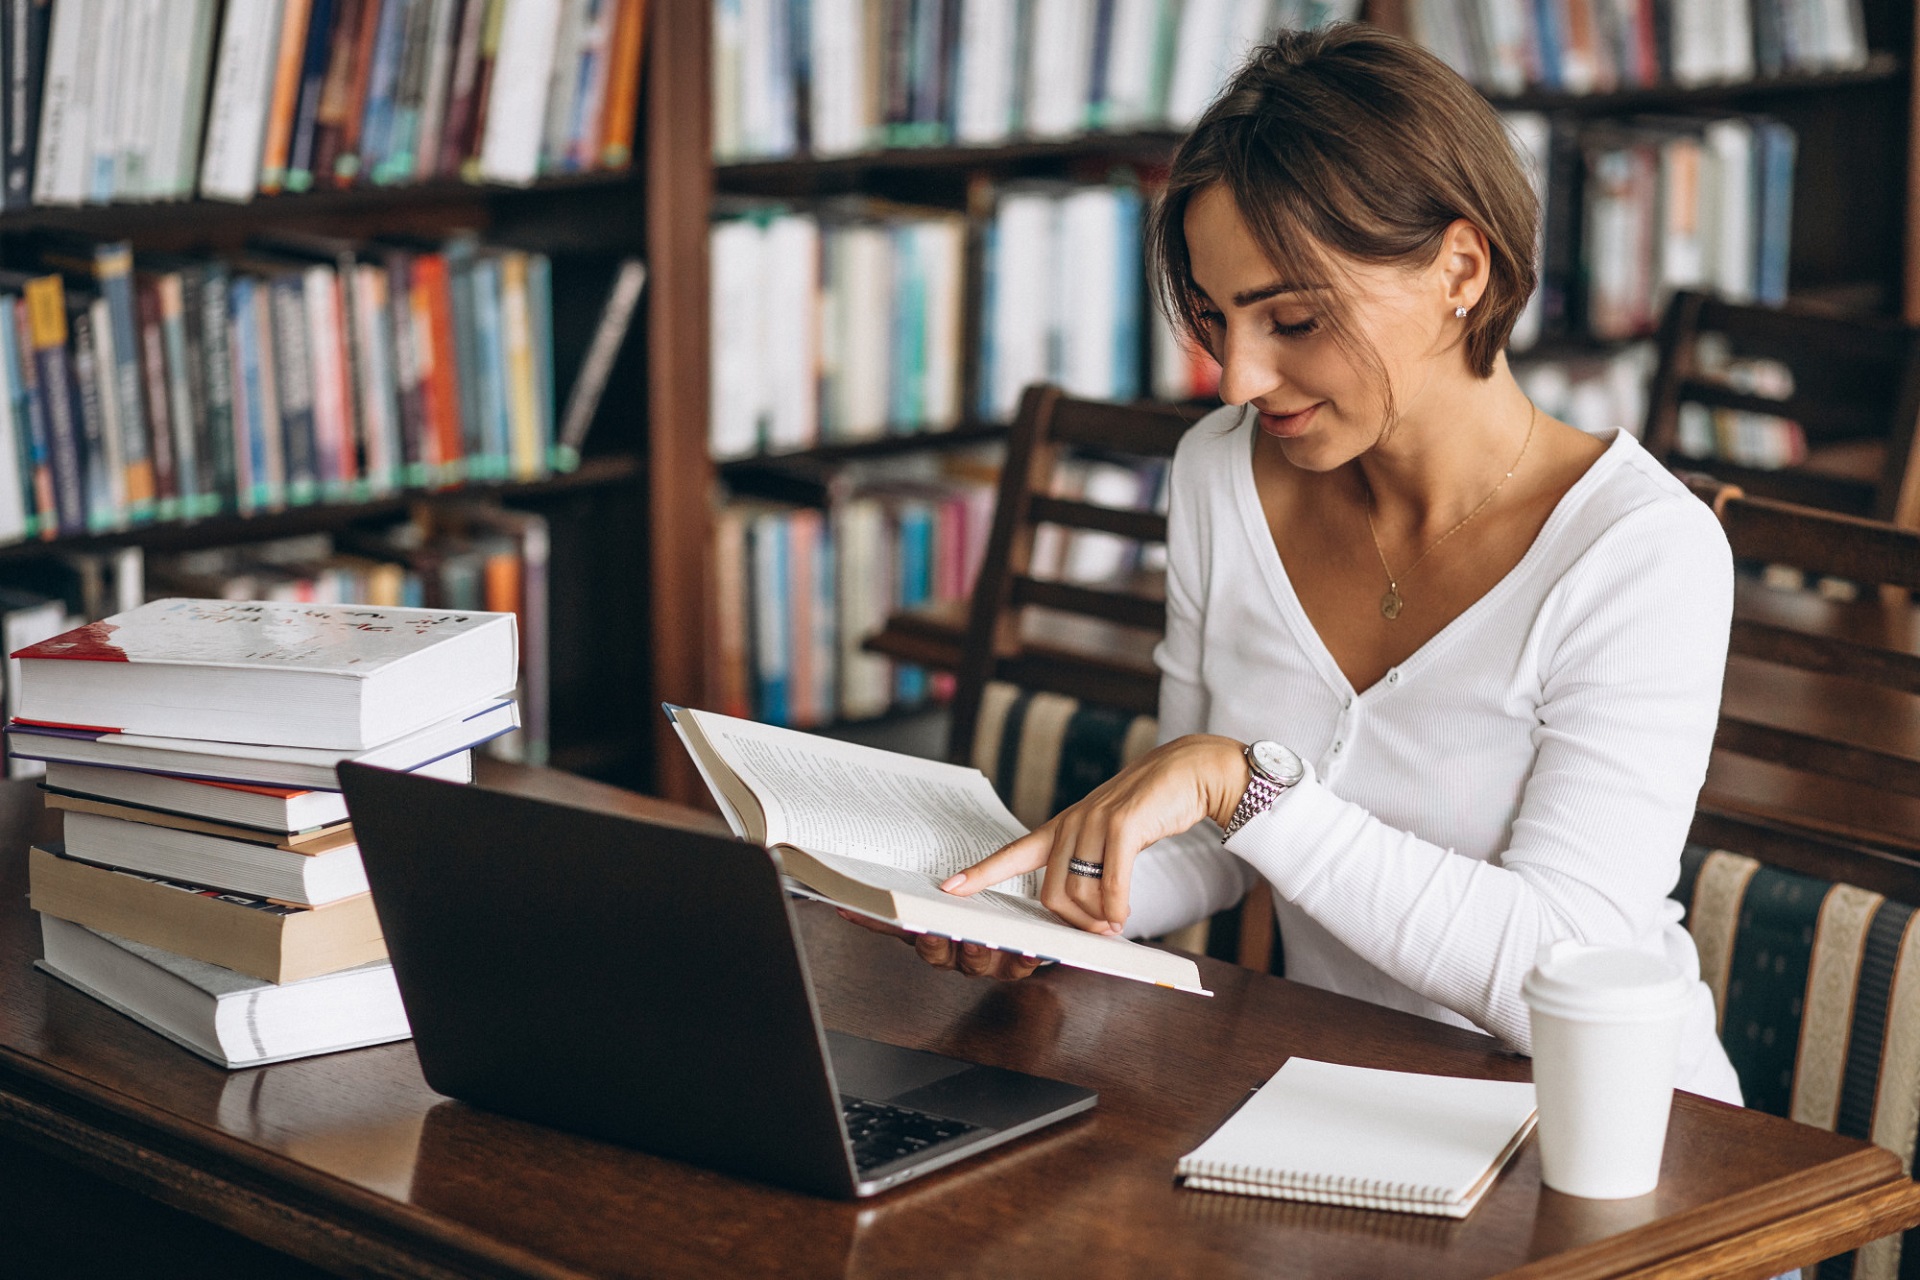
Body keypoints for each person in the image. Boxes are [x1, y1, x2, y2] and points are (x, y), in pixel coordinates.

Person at [854, 23, 1742, 1104]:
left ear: (1461, 268)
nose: (1238, 377)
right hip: (1340, 1106)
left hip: (1621, 1144)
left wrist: (1253, 785)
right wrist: (1047, 904)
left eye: (1293, 318)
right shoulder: (1220, 475)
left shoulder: (1641, 553)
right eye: (1218, 318)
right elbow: (1216, 842)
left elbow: (1561, 968)